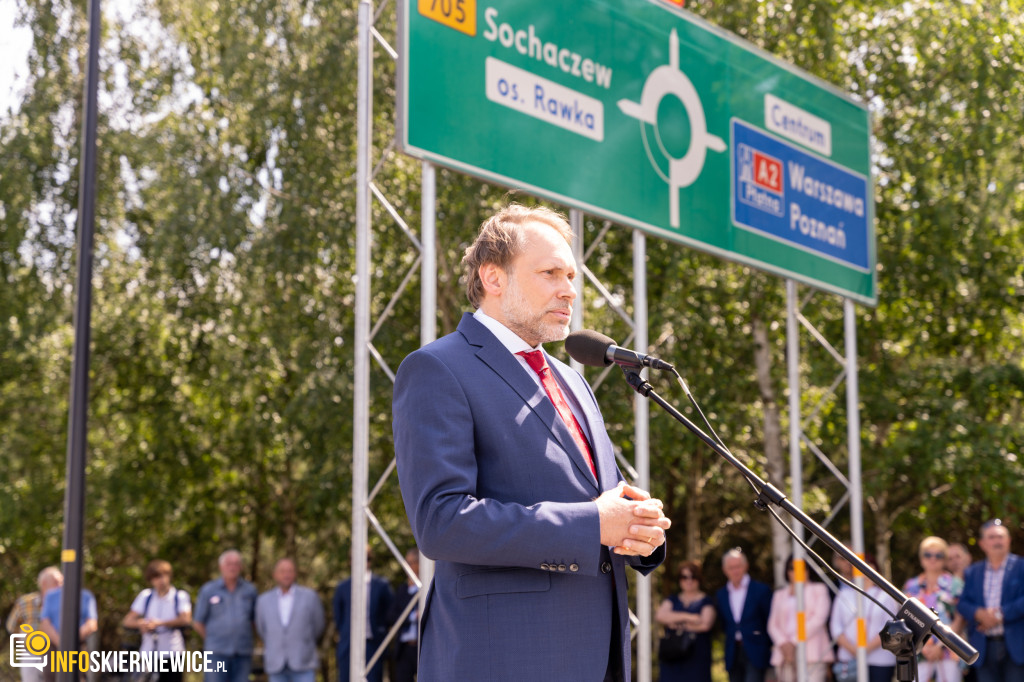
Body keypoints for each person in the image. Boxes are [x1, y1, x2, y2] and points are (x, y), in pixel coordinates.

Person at [392, 203, 670, 681]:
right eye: (550, 273)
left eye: (572, 275)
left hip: (596, 658)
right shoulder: (438, 368)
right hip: (503, 658)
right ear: (494, 278)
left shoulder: (572, 380)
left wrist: (635, 529)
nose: (569, 290)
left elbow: (597, 500)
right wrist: (592, 525)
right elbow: (440, 521)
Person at [957, 519, 1024, 682]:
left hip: (1016, 647)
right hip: (984, 647)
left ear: (1008, 540)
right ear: (982, 543)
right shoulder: (973, 572)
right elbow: (962, 604)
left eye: (1000, 537)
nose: (997, 541)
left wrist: (1000, 615)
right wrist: (978, 614)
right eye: (991, 537)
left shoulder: (1021, 566)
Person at [903, 537, 964, 682]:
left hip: (949, 651)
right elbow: (905, 619)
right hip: (919, 652)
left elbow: (960, 619)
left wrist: (940, 646)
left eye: (938, 555)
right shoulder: (911, 586)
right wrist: (923, 647)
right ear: (921, 558)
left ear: (944, 559)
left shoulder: (955, 584)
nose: (933, 559)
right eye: (928, 555)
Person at [255, 558, 325, 682]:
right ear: (275, 574)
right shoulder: (263, 601)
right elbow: (262, 629)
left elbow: (318, 625)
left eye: (290, 571)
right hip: (276, 664)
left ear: (295, 573)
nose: (286, 575)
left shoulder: (310, 597)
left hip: (303, 662)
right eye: (282, 571)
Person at [829, 556, 898, 682]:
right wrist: (854, 650)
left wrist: (864, 649)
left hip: (880, 660)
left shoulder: (885, 596)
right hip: (849, 658)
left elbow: (890, 627)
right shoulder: (844, 594)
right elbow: (835, 626)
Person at [193, 549, 258, 682]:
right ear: (221, 567)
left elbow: (254, 621)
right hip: (216, 653)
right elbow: (198, 622)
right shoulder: (208, 590)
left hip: (242, 653)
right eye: (229, 563)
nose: (232, 567)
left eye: (236, 564)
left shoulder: (250, 590)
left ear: (241, 567)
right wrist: (212, 639)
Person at [122, 560, 193, 682]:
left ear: (169, 576)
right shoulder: (146, 596)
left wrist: (160, 623)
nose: (160, 581)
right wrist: (142, 624)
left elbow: (185, 619)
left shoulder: (179, 596)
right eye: (156, 577)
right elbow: (127, 621)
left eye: (163, 576)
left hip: (173, 653)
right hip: (149, 653)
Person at [767, 555, 833, 682]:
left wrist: (794, 641)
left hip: (812, 652)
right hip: (785, 653)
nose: (796, 571)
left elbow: (818, 619)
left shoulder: (819, 589)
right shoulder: (779, 594)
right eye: (792, 568)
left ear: (808, 570)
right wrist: (783, 642)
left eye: (801, 568)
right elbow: (772, 624)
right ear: (787, 571)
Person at [332, 549, 392, 682]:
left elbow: (389, 613)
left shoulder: (382, 585)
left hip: (373, 645)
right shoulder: (342, 587)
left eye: (366, 559)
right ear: (350, 561)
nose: (362, 563)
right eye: (357, 559)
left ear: (369, 561)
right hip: (348, 646)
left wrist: (381, 631)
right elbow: (338, 616)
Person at [716, 548, 773, 682]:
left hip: (756, 651)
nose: (735, 571)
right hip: (733, 651)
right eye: (731, 568)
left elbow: (768, 620)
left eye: (738, 567)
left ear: (745, 566)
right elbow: (724, 624)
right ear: (725, 570)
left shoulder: (761, 590)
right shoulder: (721, 594)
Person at [655, 560, 715, 682]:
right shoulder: (672, 599)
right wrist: (690, 618)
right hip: (672, 657)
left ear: (699, 578)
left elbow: (705, 625)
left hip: (697, 658)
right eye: (684, 577)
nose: (689, 580)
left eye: (693, 576)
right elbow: (660, 616)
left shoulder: (707, 600)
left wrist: (675, 622)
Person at [6, 567, 63, 682]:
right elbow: (12, 627)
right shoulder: (25, 602)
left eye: (62, 582)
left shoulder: (65, 604)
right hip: (32, 654)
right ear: (44, 584)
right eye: (57, 582)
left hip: (58, 653)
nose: (61, 586)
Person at [386, 549, 421, 682]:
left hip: (421, 648)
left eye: (412, 562)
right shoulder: (402, 590)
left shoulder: (428, 587)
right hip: (404, 649)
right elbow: (391, 616)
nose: (409, 567)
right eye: (407, 563)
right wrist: (411, 617)